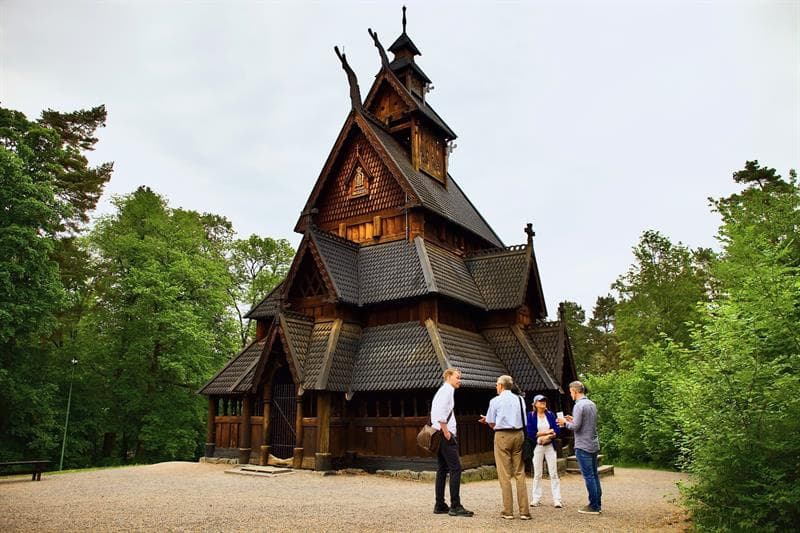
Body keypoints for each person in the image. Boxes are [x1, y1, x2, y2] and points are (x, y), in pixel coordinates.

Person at [480, 375, 531, 520]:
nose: (496, 387)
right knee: (520, 472)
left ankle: (508, 511)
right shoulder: (520, 399)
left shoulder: (495, 401)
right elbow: (524, 420)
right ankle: (524, 511)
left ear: (501, 386)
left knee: (504, 473)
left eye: (497, 384)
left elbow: (490, 422)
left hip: (502, 435)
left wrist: (489, 421)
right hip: (519, 434)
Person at [430, 368, 473, 517]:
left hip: (439, 434)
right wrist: (447, 432)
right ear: (448, 377)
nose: (459, 380)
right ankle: (455, 505)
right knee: (456, 468)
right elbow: (441, 412)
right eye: (457, 377)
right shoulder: (447, 390)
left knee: (442, 469)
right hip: (445, 435)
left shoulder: (442, 391)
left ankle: (440, 504)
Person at [557, 380, 602, 515]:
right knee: (594, 475)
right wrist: (572, 419)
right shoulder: (591, 404)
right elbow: (586, 423)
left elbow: (576, 427)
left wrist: (565, 422)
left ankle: (594, 506)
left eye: (571, 392)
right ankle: (597, 503)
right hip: (593, 443)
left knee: (588, 476)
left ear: (575, 392)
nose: (571, 395)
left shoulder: (578, 406)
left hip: (583, 445)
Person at [527, 394, 562, 508]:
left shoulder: (551, 415)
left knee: (553, 473)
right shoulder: (531, 416)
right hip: (538, 446)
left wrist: (548, 437)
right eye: (540, 401)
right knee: (537, 473)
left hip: (550, 446)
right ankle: (536, 498)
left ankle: (557, 499)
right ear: (535, 404)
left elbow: (556, 430)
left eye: (544, 401)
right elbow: (531, 432)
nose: (543, 402)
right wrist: (546, 433)